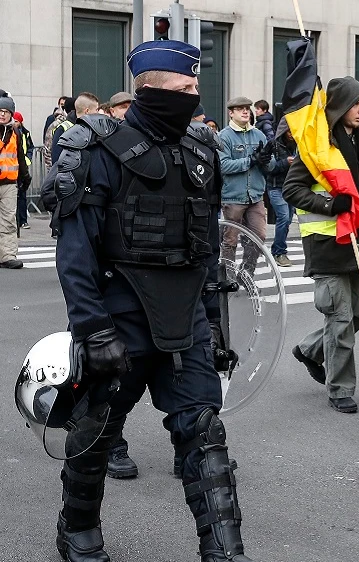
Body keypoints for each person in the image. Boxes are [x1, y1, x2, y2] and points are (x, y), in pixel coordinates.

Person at [47, 39, 256, 561]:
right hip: (118, 321)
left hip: (185, 323)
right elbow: (75, 254)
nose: (194, 95)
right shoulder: (93, 148)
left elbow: (204, 252)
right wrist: (92, 331)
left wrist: (215, 325)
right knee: (96, 434)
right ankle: (78, 529)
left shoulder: (201, 152)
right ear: (153, 87)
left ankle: (224, 551)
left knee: (205, 435)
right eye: (185, 88)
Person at [283, 76, 359, 413]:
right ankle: (340, 387)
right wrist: (331, 205)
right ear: (339, 106)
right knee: (340, 317)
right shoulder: (318, 146)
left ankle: (311, 349)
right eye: (355, 104)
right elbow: (291, 190)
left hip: (358, 240)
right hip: (327, 243)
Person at [218, 96, 275, 276]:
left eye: (247, 108)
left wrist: (265, 161)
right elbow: (223, 165)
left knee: (259, 236)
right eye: (240, 108)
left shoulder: (258, 134)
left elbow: (271, 165)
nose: (245, 111)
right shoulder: (224, 136)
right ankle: (228, 278)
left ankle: (246, 274)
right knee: (230, 239)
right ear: (231, 112)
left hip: (256, 196)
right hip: (233, 196)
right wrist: (250, 161)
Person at [0, 94, 30, 269]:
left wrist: (25, 178)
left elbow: (19, 156)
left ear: (11, 114)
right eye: (0, 111)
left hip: (9, 183)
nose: (2, 114)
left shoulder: (15, 133)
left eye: (6, 111)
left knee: (9, 220)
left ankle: (8, 255)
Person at [265, 117, 296, 267]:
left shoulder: (299, 143)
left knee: (288, 219)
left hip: (291, 187)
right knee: (283, 217)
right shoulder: (273, 144)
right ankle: (279, 252)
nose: (291, 134)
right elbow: (268, 168)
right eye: (289, 130)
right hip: (275, 187)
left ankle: (278, 250)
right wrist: (285, 162)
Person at [51, 92, 100, 165]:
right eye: (96, 109)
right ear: (87, 111)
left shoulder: (94, 129)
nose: (98, 113)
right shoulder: (63, 129)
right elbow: (57, 161)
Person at [11, 111, 34, 230]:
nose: (15, 123)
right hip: (12, 168)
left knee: (22, 195)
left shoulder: (25, 133)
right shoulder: (9, 133)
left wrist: (27, 160)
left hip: (22, 166)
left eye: (17, 121)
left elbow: (30, 147)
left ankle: (23, 220)